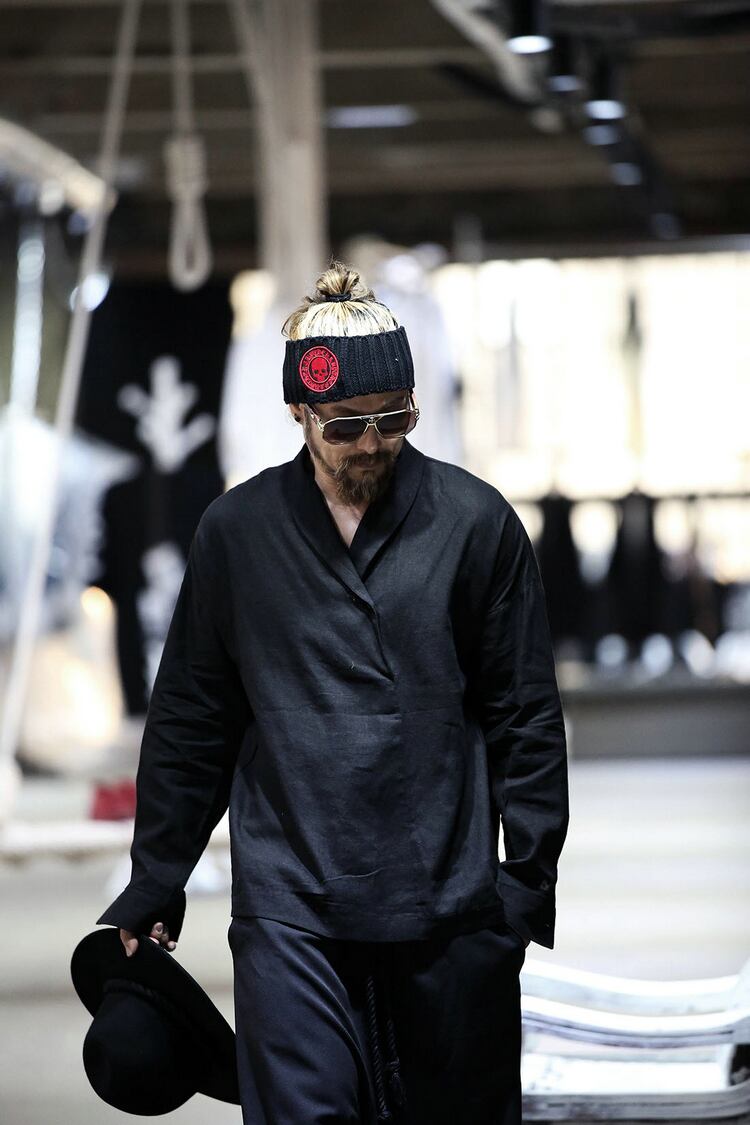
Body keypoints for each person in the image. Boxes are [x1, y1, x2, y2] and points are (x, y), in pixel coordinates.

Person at [98, 259, 569, 1124]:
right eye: (346, 425)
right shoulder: (237, 534)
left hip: (448, 901)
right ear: (300, 414)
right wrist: (157, 877)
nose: (372, 443)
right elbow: (193, 717)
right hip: (292, 902)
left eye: (394, 417)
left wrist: (524, 887)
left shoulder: (475, 522)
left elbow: (525, 713)